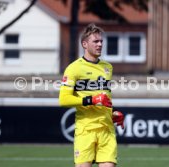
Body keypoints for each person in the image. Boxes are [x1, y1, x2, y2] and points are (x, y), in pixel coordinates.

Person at [59, 23, 124, 167]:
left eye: (101, 41)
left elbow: (105, 97)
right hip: (86, 130)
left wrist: (114, 113)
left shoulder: (107, 67)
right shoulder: (74, 68)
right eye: (96, 41)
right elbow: (64, 99)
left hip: (106, 129)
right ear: (85, 44)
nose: (100, 44)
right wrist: (91, 100)